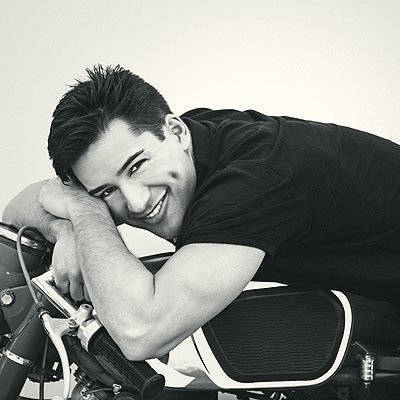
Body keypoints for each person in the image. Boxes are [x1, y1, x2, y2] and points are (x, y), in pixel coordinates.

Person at [3, 65, 400, 361]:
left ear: (176, 131)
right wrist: (67, 228)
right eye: (107, 191)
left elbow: (141, 331)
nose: (136, 203)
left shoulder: (253, 181)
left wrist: (83, 210)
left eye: (137, 166)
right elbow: (20, 206)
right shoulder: (179, 143)